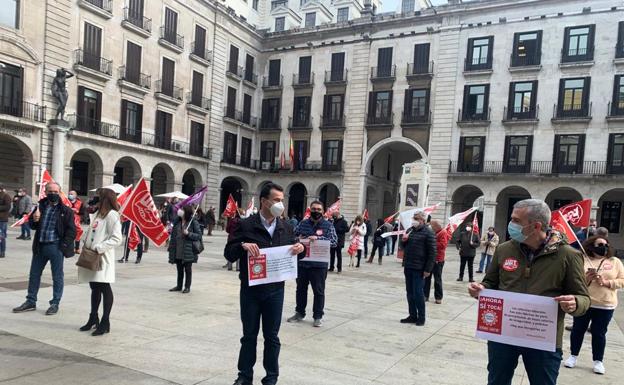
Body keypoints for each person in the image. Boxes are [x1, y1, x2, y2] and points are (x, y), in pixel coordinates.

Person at [468, 199, 590, 385]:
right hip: (504, 336)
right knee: (497, 381)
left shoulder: (568, 256)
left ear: (536, 225)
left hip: (543, 339)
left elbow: (584, 299)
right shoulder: (504, 250)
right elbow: (490, 282)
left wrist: (575, 302)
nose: (511, 224)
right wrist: (480, 289)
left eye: (516, 220)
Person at [224, 182, 304, 385]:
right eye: (277, 200)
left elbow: (294, 255)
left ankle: (271, 377)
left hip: (275, 291)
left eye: (282, 200)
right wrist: (242, 245)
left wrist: (300, 249)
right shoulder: (246, 225)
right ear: (264, 201)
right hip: (250, 290)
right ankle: (244, 375)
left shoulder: (286, 227)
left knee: (272, 337)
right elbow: (229, 253)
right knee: (249, 335)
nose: (280, 204)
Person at [563, 235, 624, 375]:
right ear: (591, 245)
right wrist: (586, 278)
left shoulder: (614, 261)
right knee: (578, 329)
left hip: (605, 304)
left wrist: (607, 282)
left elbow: (622, 280)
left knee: (599, 333)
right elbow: (574, 280)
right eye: (600, 244)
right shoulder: (583, 259)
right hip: (585, 302)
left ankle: (598, 360)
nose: (604, 247)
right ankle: (573, 356)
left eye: (606, 244)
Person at [13, 182, 76, 315]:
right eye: (50, 191)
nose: (52, 194)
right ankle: (30, 301)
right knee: (34, 275)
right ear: (46, 192)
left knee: (57, 276)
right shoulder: (40, 207)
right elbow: (32, 226)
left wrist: (63, 246)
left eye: (55, 191)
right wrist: (34, 220)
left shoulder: (66, 211)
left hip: (55, 246)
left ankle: (55, 303)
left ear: (59, 192)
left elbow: (72, 231)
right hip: (40, 246)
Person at [77, 188, 122, 336]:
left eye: (98, 196)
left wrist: (99, 247)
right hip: (91, 256)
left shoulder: (112, 215)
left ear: (104, 199)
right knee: (94, 287)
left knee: (104, 287)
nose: (94, 198)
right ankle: (93, 317)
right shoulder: (97, 214)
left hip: (101, 257)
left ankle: (105, 321)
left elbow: (116, 238)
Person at [288, 200, 337, 327]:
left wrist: (319, 239)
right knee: (300, 289)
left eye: (319, 209)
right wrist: (300, 239)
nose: (316, 211)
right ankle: (299, 313)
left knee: (319, 291)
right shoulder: (303, 223)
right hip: (303, 263)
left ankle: (318, 316)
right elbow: (293, 236)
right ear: (310, 210)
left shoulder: (328, 225)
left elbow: (334, 241)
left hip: (319, 265)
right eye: (314, 209)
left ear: (323, 211)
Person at [400, 210, 436, 325]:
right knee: (409, 292)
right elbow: (403, 246)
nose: (414, 220)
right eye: (413, 218)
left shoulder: (428, 232)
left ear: (423, 220)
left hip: (420, 268)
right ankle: (412, 315)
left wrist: (428, 269)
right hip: (408, 265)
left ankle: (421, 317)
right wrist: (403, 241)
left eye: (416, 218)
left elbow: (432, 253)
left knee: (418, 293)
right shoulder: (410, 230)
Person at [168, 205, 202, 293]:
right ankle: (179, 286)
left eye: (182, 209)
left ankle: (187, 287)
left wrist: (189, 233)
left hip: (188, 249)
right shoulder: (177, 221)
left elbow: (199, 235)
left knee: (187, 269)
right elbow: (173, 235)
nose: (180, 211)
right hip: (178, 248)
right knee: (179, 269)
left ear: (186, 212)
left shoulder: (193, 222)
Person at [424, 219, 452, 304]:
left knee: (437, 279)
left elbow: (443, 245)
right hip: (430, 259)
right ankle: (425, 295)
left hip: (438, 260)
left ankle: (438, 297)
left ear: (436, 226)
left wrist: (432, 243)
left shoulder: (443, 232)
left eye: (432, 225)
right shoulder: (434, 232)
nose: (431, 227)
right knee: (427, 278)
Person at [0, 184, 12, 258]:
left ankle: (2, 252)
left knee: (1, 236)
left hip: (2, 219)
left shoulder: (5, 196)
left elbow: (8, 207)